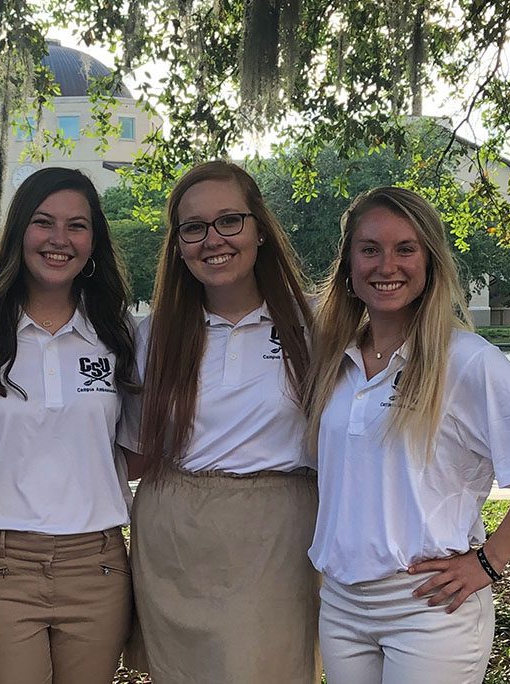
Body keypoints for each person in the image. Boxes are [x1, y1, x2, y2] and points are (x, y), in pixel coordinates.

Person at [305, 186, 510, 684]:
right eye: (369, 249)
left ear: (430, 262)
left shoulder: (466, 360)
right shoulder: (335, 360)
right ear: (348, 264)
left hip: (428, 607)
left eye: (405, 249)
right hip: (342, 602)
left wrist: (491, 560)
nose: (386, 265)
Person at [0, 167, 138, 684]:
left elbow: (140, 445)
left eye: (77, 225)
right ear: (19, 230)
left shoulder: (118, 334)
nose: (59, 240)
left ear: (94, 239)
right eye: (44, 222)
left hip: (99, 564)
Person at [118, 160, 321, 684]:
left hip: (276, 536)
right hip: (175, 537)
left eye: (229, 220)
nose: (213, 239)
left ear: (260, 230)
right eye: (194, 227)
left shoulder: (314, 327)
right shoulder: (154, 334)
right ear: (178, 245)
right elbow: (137, 453)